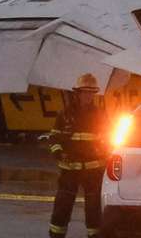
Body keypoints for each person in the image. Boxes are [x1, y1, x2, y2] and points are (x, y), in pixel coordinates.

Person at [48, 73, 107, 238]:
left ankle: (94, 236)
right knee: (62, 206)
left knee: (94, 209)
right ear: (78, 93)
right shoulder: (65, 114)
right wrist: (58, 153)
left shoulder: (100, 115)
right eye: (85, 92)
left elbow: (109, 138)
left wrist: (105, 151)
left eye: (91, 92)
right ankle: (56, 235)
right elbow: (54, 137)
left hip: (93, 171)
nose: (88, 96)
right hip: (69, 170)